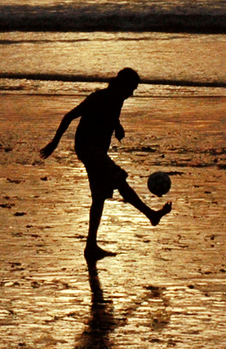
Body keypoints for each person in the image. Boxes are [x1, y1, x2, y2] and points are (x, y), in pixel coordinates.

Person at [41, 67, 171, 263]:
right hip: (88, 149)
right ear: (122, 84)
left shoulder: (117, 99)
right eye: (132, 88)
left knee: (99, 197)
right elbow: (69, 116)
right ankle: (150, 215)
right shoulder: (99, 97)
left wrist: (117, 127)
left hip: (98, 151)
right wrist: (54, 143)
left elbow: (110, 116)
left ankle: (91, 246)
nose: (132, 93)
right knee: (118, 178)